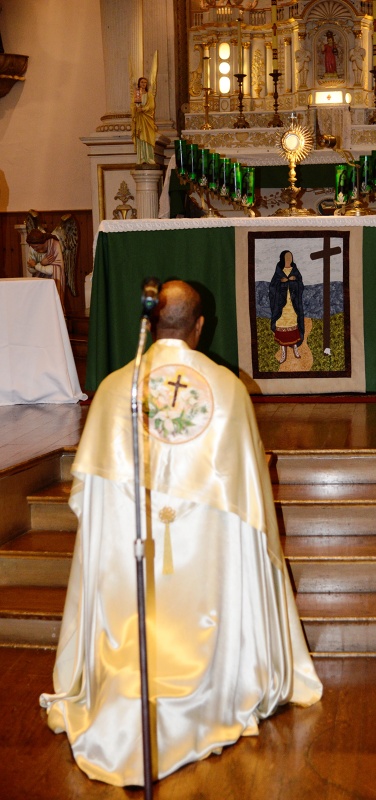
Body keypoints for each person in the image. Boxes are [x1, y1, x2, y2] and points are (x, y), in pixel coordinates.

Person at [39, 280, 322, 787]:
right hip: (207, 573)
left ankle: (121, 677)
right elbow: (250, 503)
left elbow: (89, 497)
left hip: (129, 573)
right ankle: (209, 678)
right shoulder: (227, 389)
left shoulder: (114, 390)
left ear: (149, 324)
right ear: (199, 326)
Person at [269, 250, 305, 364]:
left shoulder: (295, 271)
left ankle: (295, 349)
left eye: (290, 257)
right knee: (282, 329)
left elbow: (301, 286)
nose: (289, 259)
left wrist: (295, 281)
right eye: (287, 257)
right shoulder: (279, 272)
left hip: (293, 306)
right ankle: (283, 353)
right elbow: (272, 288)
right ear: (282, 259)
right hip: (282, 308)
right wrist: (281, 282)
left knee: (294, 328)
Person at [26, 228, 65, 306]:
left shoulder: (54, 245)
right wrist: (41, 264)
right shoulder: (32, 248)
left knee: (54, 302)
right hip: (40, 282)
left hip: (55, 280)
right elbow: (30, 269)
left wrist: (36, 265)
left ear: (43, 242)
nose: (34, 249)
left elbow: (53, 270)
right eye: (32, 247)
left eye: (36, 246)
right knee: (40, 303)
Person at [131, 76, 157, 165]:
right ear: (139, 83)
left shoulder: (149, 95)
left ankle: (149, 157)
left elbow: (151, 106)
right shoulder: (137, 94)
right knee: (140, 136)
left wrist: (143, 109)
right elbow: (133, 105)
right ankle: (142, 157)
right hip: (139, 119)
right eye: (142, 82)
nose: (143, 84)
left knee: (148, 136)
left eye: (145, 82)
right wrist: (136, 109)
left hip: (147, 118)